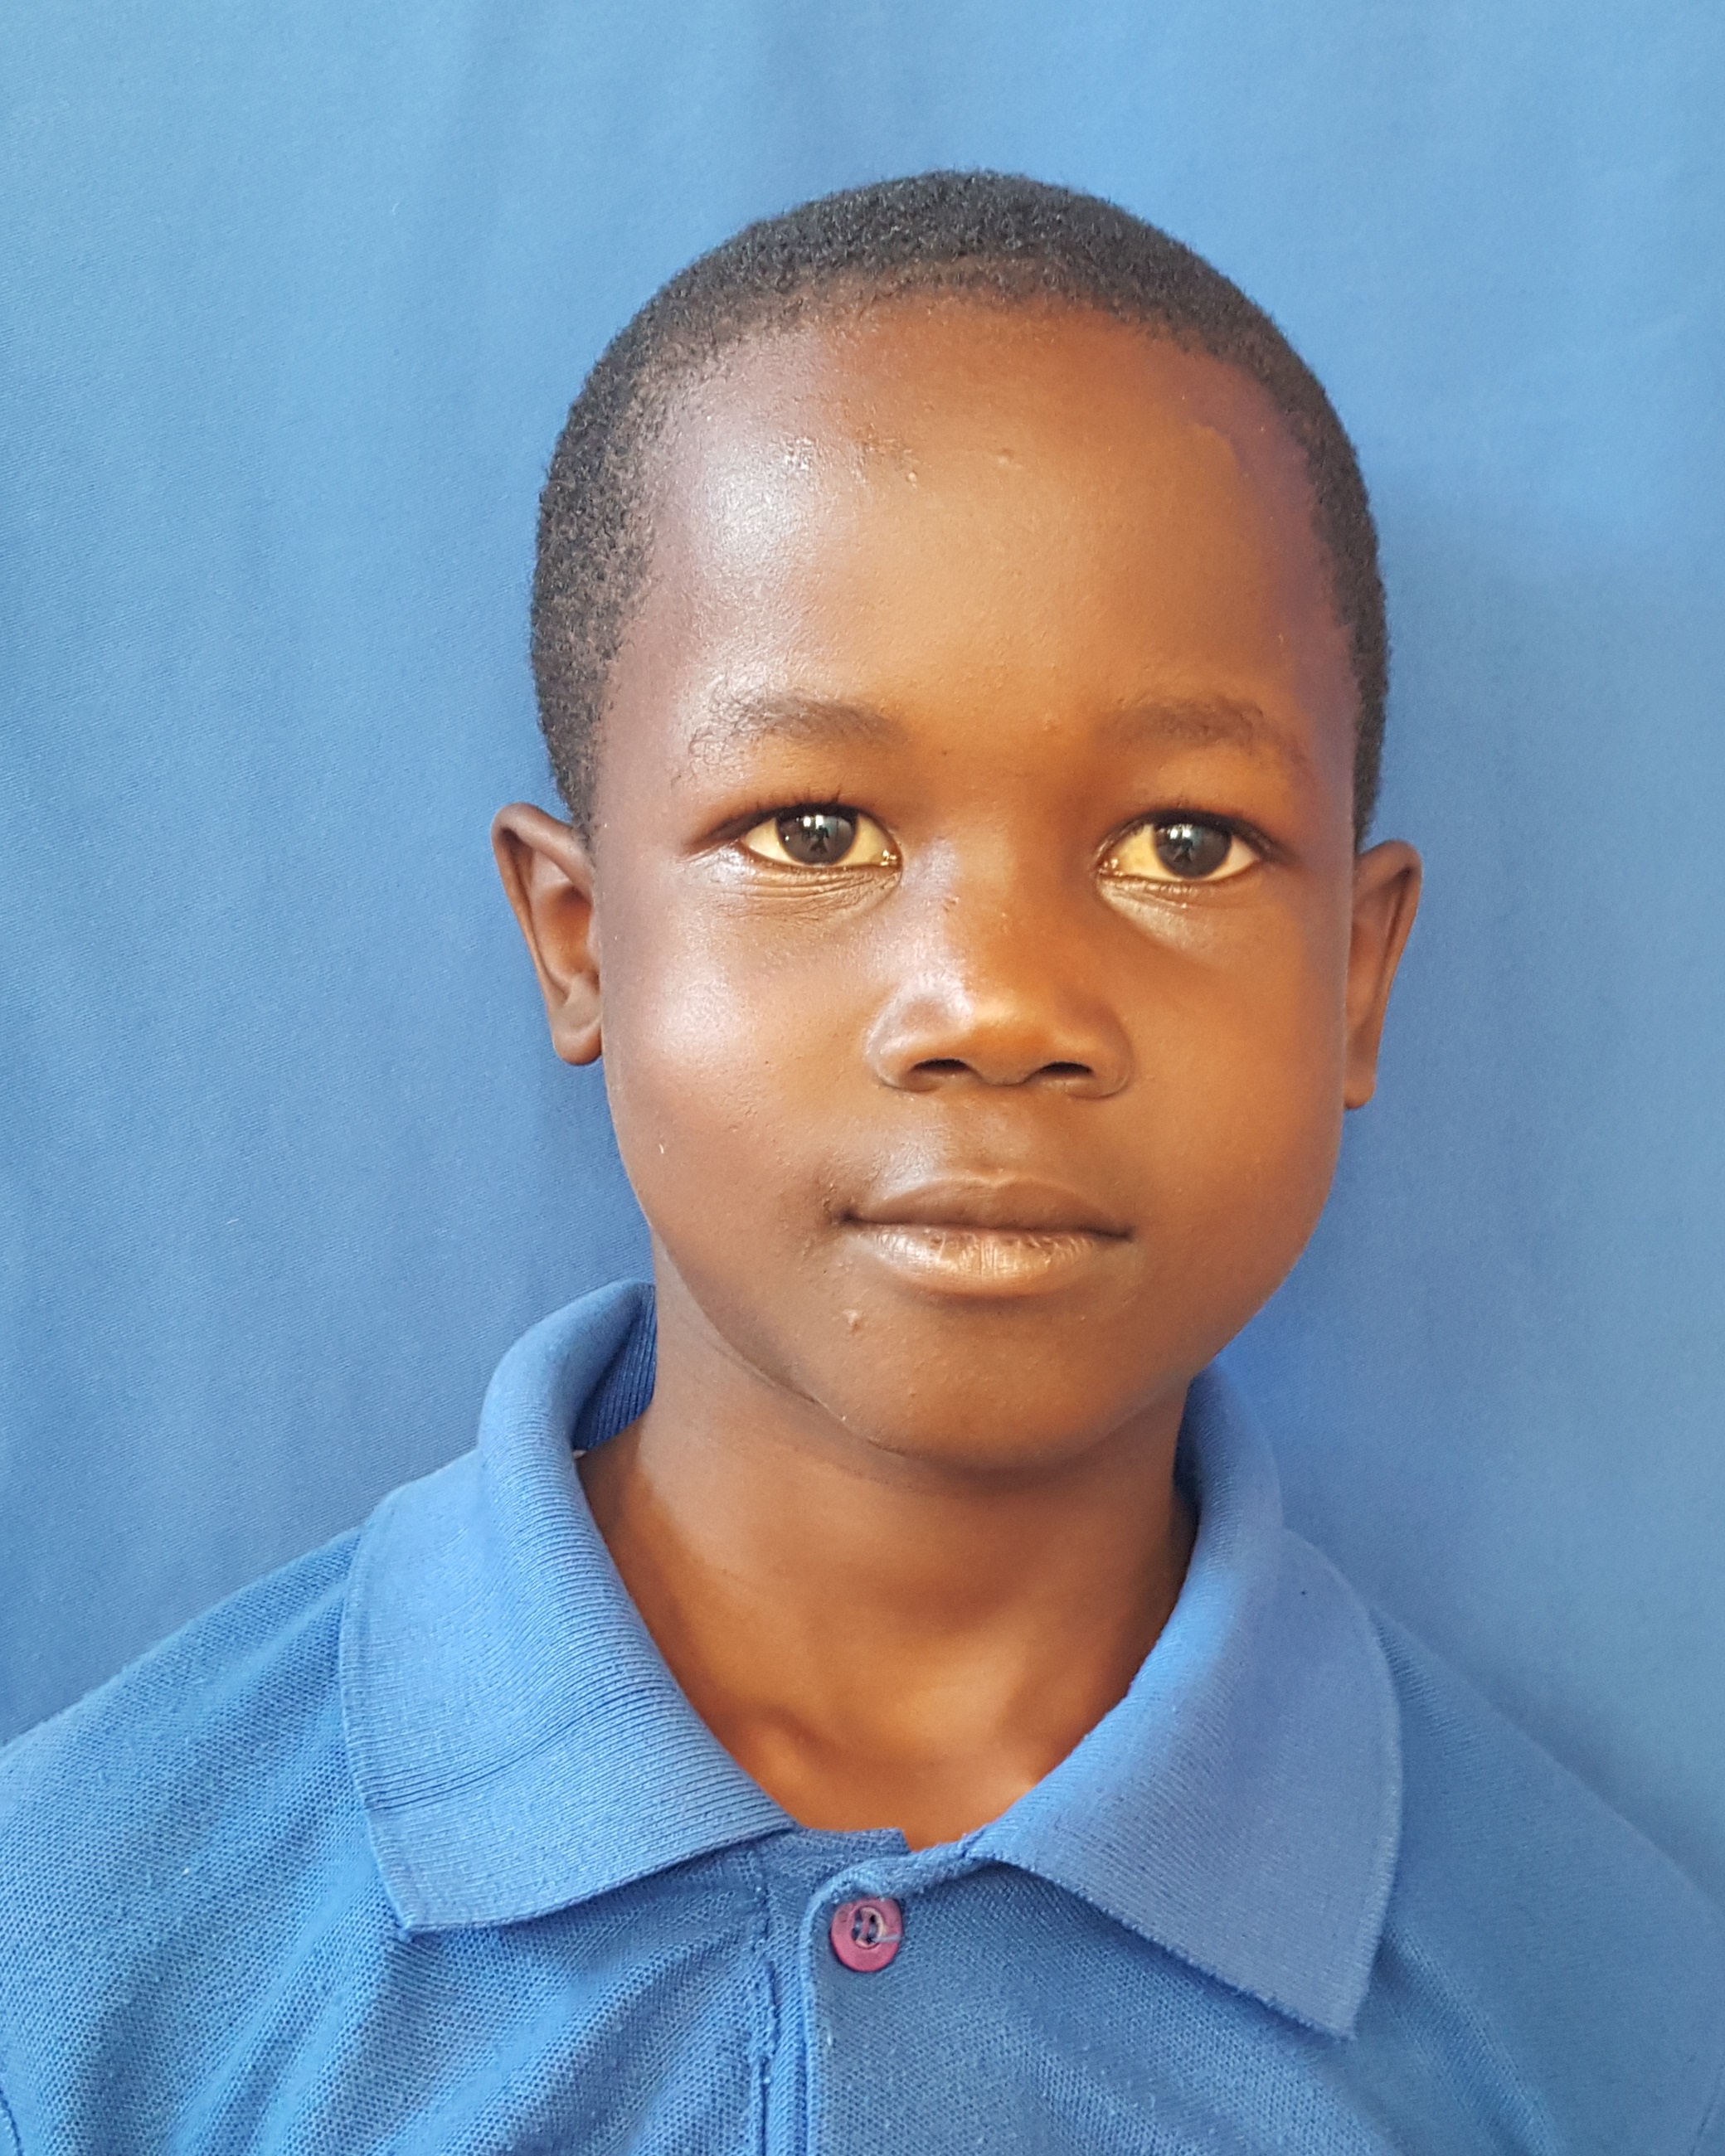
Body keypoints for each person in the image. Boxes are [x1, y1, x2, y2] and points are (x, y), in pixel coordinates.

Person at [0, 171, 1718, 2154]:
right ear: (577, 940)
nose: (993, 1003)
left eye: (1181, 844)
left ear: (1357, 971)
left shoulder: (1605, 2027)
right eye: (812, 831)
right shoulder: (82, 1954)